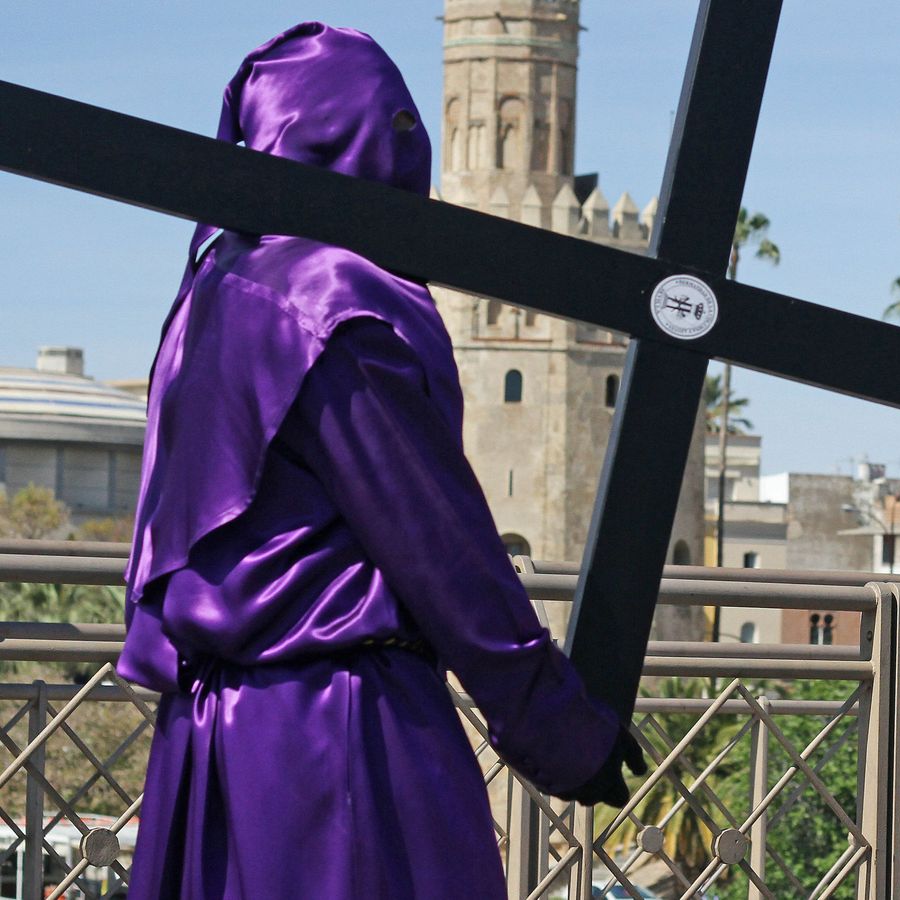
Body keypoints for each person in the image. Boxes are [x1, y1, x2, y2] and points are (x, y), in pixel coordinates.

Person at [117, 24, 640, 898]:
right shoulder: (334, 303)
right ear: (348, 137)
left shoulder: (209, 291)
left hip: (208, 740)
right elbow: (440, 545)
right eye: (396, 129)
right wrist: (558, 726)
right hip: (341, 738)